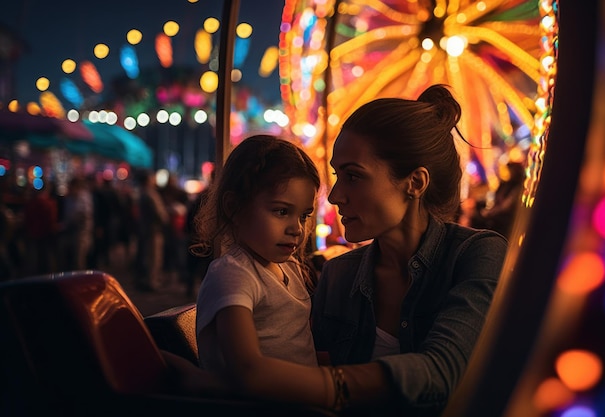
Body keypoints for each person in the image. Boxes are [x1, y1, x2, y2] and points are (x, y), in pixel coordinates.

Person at [164, 85, 508, 415]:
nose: (334, 196)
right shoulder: (339, 275)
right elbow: (299, 358)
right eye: (336, 177)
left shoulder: (476, 256)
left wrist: (319, 388)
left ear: (415, 183)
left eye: (353, 176)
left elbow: (442, 371)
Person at [189, 134, 322, 396]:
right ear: (233, 207)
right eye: (282, 211)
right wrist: (336, 383)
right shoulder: (234, 274)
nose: (297, 229)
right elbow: (248, 370)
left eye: (304, 215)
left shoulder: (290, 268)